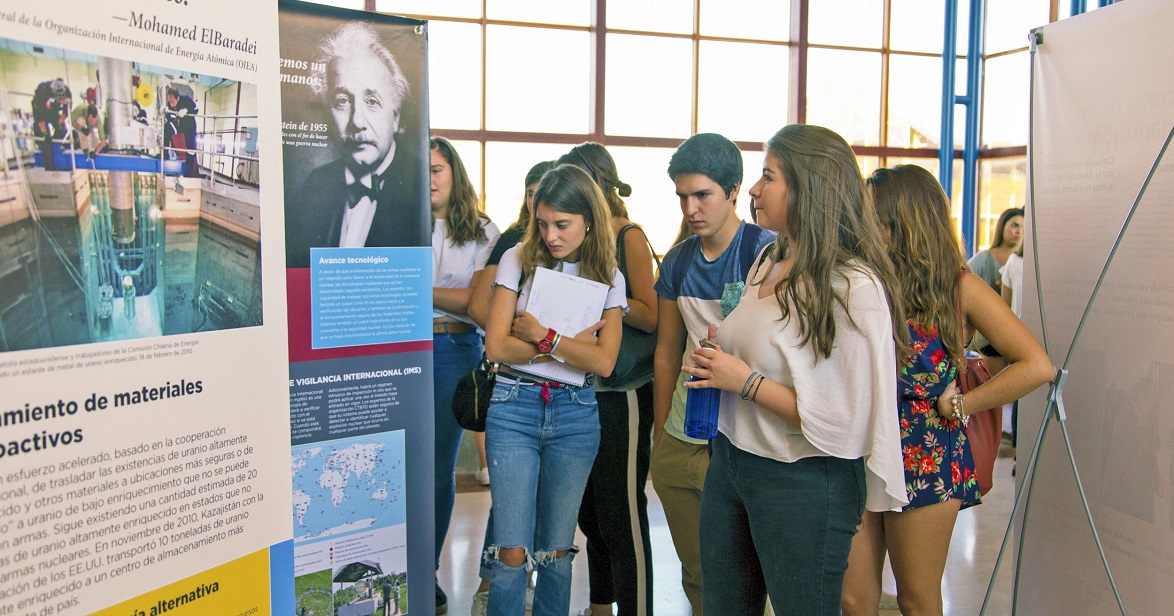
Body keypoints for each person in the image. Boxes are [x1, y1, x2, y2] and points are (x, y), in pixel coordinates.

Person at [683, 124, 910, 615]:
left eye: (769, 177)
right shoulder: (769, 257)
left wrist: (742, 380)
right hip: (733, 462)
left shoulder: (853, 286)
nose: (757, 190)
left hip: (803, 481)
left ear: (809, 188)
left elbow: (843, 422)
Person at [840, 165, 1053, 616]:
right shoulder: (860, 280)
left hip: (926, 451)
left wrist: (962, 402)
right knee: (853, 599)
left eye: (871, 212)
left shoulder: (959, 287)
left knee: (917, 599)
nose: (861, 224)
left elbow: (1036, 366)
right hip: (857, 446)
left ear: (903, 219)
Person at [483, 164, 627, 616]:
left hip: (576, 414)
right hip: (513, 407)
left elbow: (604, 361)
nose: (551, 235)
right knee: (511, 551)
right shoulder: (517, 258)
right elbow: (496, 345)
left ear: (589, 219)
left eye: (562, 224)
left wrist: (543, 337)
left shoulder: (609, 275)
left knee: (558, 552)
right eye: (542, 222)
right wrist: (567, 348)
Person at [651, 132, 774, 616]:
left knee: (747, 576)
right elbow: (666, 351)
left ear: (734, 190)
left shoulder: (766, 252)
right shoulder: (678, 260)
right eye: (682, 196)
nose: (691, 207)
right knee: (697, 574)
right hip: (684, 433)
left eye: (702, 194)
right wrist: (662, 432)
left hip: (745, 435)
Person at [557, 142, 657, 616]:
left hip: (623, 391)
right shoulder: (574, 237)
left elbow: (652, 314)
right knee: (591, 512)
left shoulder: (627, 235)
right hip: (578, 388)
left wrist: (601, 298)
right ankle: (600, 606)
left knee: (623, 514)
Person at [467, 159, 555, 616]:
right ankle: (491, 586)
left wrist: (547, 341)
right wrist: (530, 338)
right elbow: (483, 311)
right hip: (514, 385)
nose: (540, 206)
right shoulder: (512, 245)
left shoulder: (577, 251)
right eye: (533, 195)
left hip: (564, 394)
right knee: (510, 502)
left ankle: (525, 588)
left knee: (546, 513)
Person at [284, 21, 428, 268]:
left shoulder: (421, 191)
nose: (357, 122)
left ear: (396, 117)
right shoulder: (314, 186)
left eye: (372, 101)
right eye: (342, 101)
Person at [429, 137, 500, 615]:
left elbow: (478, 303)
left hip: (454, 347)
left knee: (436, 469)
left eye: (436, 169)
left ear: (455, 172)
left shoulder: (480, 230)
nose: (428, 178)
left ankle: (427, 571)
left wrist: (409, 285)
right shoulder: (394, 220)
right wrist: (442, 294)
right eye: (420, 170)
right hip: (396, 346)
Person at [968, 207, 1024, 294]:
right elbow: (962, 284)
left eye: (1023, 228)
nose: (1019, 231)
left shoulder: (1024, 262)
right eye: (1014, 225)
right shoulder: (983, 258)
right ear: (1002, 226)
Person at [31, 79, 71, 171]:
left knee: (63, 129)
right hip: (41, 111)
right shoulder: (42, 94)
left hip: (53, 109)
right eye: (60, 100)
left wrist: (60, 122)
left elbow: (66, 111)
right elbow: (40, 117)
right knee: (45, 140)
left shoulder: (67, 92)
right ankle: (50, 168)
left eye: (63, 100)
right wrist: (45, 134)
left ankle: (55, 146)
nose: (62, 102)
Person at [164, 87, 200, 177]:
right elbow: (169, 115)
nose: (171, 104)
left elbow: (196, 109)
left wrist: (187, 110)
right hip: (179, 126)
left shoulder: (186, 100)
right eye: (170, 102)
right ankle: (165, 158)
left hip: (189, 126)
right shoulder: (170, 104)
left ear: (178, 98)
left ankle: (190, 174)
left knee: (190, 149)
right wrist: (165, 112)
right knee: (167, 130)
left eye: (173, 102)